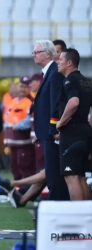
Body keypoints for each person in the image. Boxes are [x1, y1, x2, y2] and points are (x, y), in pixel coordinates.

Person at [32, 39, 69, 201]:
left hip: (51, 132)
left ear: (47, 54)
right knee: (52, 171)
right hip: (46, 131)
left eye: (36, 52)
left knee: (54, 173)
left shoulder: (54, 73)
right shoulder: (49, 72)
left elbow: (55, 103)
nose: (33, 55)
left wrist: (53, 128)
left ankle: (57, 205)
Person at [57, 48, 92, 200]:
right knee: (80, 175)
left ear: (69, 63)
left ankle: (79, 215)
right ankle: (86, 214)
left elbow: (73, 102)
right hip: (85, 131)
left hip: (72, 132)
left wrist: (61, 122)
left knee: (71, 176)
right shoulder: (86, 81)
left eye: (61, 60)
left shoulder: (69, 80)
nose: (58, 62)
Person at [3, 77, 36, 180]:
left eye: (26, 87)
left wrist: (17, 127)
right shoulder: (14, 101)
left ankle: (26, 193)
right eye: (21, 86)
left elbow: (28, 120)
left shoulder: (31, 101)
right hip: (13, 142)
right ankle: (18, 192)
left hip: (24, 142)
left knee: (24, 168)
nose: (23, 89)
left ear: (30, 88)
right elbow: (8, 117)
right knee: (15, 168)